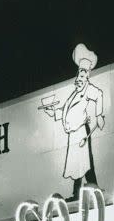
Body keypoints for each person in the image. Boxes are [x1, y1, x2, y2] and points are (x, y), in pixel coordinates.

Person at [41, 43, 106, 200]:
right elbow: (65, 111)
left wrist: (99, 115)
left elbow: (99, 95)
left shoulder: (88, 89)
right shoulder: (74, 93)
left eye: (83, 75)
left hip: (81, 131)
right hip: (73, 134)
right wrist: (53, 112)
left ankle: (93, 188)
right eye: (79, 74)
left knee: (85, 163)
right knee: (77, 165)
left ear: (87, 76)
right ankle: (78, 193)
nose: (80, 78)